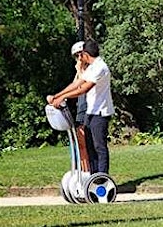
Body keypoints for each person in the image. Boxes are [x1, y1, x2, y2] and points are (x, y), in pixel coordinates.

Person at [48, 39, 115, 174]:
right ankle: (94, 176)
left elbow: (83, 89)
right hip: (91, 112)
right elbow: (77, 83)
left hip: (100, 113)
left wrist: (62, 97)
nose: (79, 57)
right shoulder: (92, 67)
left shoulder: (100, 67)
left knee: (99, 147)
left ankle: (102, 178)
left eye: (81, 54)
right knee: (90, 148)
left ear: (85, 54)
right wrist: (57, 95)